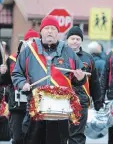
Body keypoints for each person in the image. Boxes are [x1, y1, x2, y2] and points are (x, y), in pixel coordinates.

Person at [11, 15, 86, 144]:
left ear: (58, 33)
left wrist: (81, 78)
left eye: (53, 28)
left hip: (60, 113)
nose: (50, 31)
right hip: (35, 109)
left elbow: (78, 78)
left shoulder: (68, 52)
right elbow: (16, 73)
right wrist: (23, 84)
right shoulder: (29, 51)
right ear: (41, 32)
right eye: (47, 28)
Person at [66, 26, 103, 144]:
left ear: (81, 41)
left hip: (81, 102)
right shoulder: (60, 55)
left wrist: (98, 103)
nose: (75, 41)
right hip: (61, 100)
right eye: (72, 38)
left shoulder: (88, 58)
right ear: (67, 40)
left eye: (77, 39)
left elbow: (95, 82)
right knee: (60, 134)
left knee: (77, 135)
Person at [4, 29, 40, 144]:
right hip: (17, 104)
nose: (31, 43)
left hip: (35, 103)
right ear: (24, 42)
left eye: (34, 40)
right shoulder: (12, 59)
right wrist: (3, 73)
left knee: (33, 137)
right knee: (18, 137)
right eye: (29, 40)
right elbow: (5, 82)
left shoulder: (41, 60)